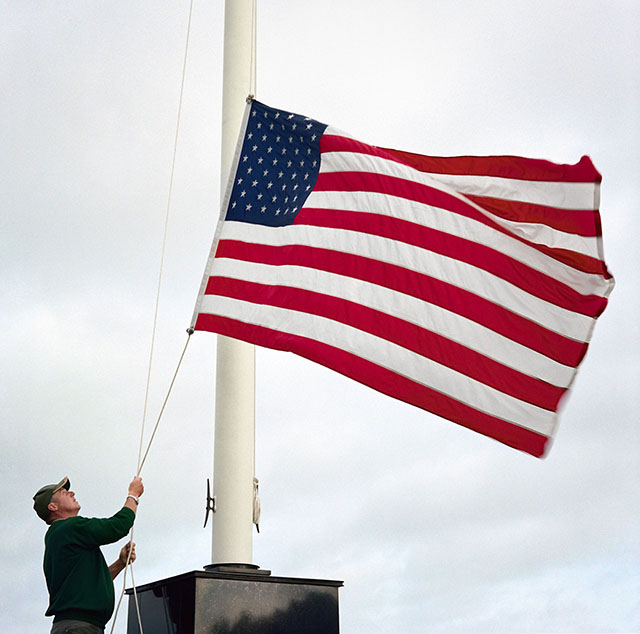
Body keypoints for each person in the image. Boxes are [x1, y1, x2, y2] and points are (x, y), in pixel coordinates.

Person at [33, 475, 144, 634]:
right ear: (52, 507)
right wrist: (133, 495)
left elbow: (88, 584)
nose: (71, 493)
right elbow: (117, 526)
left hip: (78, 627)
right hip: (78, 628)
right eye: (64, 493)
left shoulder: (60, 535)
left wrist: (120, 563)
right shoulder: (69, 528)